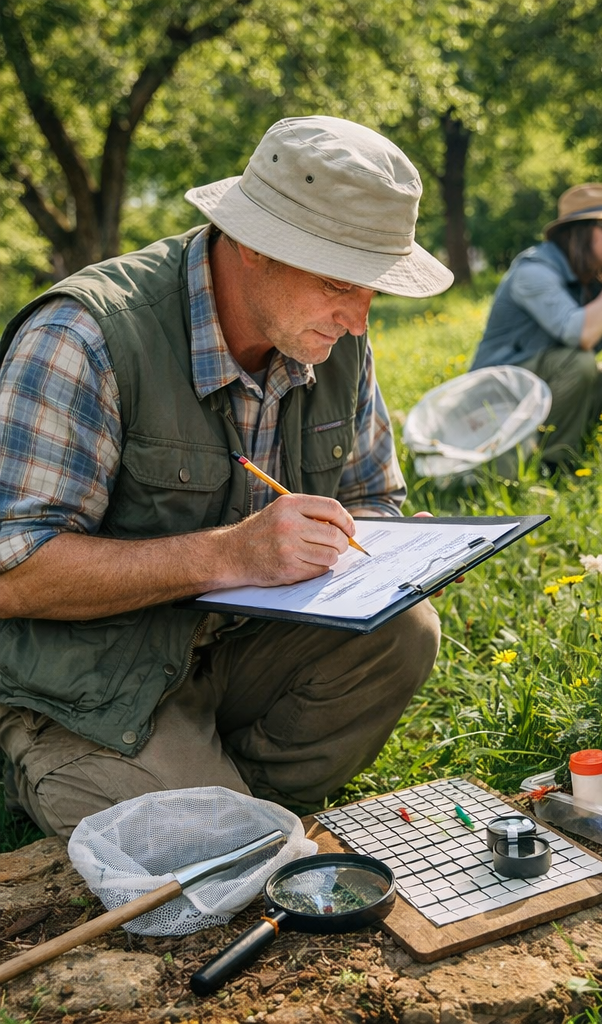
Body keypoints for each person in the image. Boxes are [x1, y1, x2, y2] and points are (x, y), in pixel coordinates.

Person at [0, 116, 450, 839]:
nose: (359, 323)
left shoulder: (331, 336)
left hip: (240, 649)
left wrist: (397, 552)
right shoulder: (84, 337)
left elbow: (370, 498)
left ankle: (229, 802)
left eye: (375, 290)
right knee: (222, 847)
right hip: (88, 682)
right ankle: (128, 782)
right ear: (251, 244)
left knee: (404, 630)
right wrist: (231, 553)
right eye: (338, 282)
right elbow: (13, 571)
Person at [469, 182, 602, 468]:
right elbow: (582, 336)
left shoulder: (599, 280)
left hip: (542, 392)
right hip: (494, 401)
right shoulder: (533, 271)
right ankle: (555, 465)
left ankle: (577, 441)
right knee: (578, 361)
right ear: (578, 232)